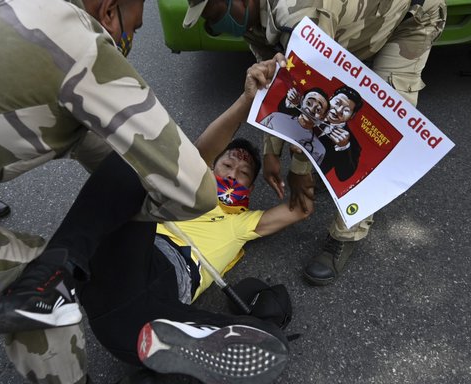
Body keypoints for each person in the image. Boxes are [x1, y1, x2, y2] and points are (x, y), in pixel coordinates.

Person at [0, 0, 218, 382]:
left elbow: (103, 154)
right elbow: (196, 190)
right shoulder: (73, 39)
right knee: (38, 289)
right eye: (132, 29)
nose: (128, 40)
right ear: (107, 11)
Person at [0, 56, 315, 383]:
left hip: (160, 304)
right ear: (213, 167)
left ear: (251, 187)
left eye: (243, 174)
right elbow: (199, 152)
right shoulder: (191, 187)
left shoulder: (245, 223)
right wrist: (247, 99)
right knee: (144, 160)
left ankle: (156, 370)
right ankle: (52, 276)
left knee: (267, 342)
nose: (233, 172)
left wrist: (307, 148)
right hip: (129, 263)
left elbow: (300, 209)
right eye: (227, 165)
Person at [182, 0, 446, 284]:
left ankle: (346, 233)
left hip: (407, 20)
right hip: (356, 27)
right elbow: (276, 87)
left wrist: (299, 171)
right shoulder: (251, 20)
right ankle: (326, 174)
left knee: (377, 135)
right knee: (327, 126)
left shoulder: (296, 13)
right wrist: (271, 152)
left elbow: (315, 94)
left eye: (216, 16)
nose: (218, 28)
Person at [259, 87, 330, 165]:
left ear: (323, 117)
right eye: (309, 103)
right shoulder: (275, 117)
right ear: (302, 101)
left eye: (318, 110)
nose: (311, 110)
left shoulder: (320, 150)